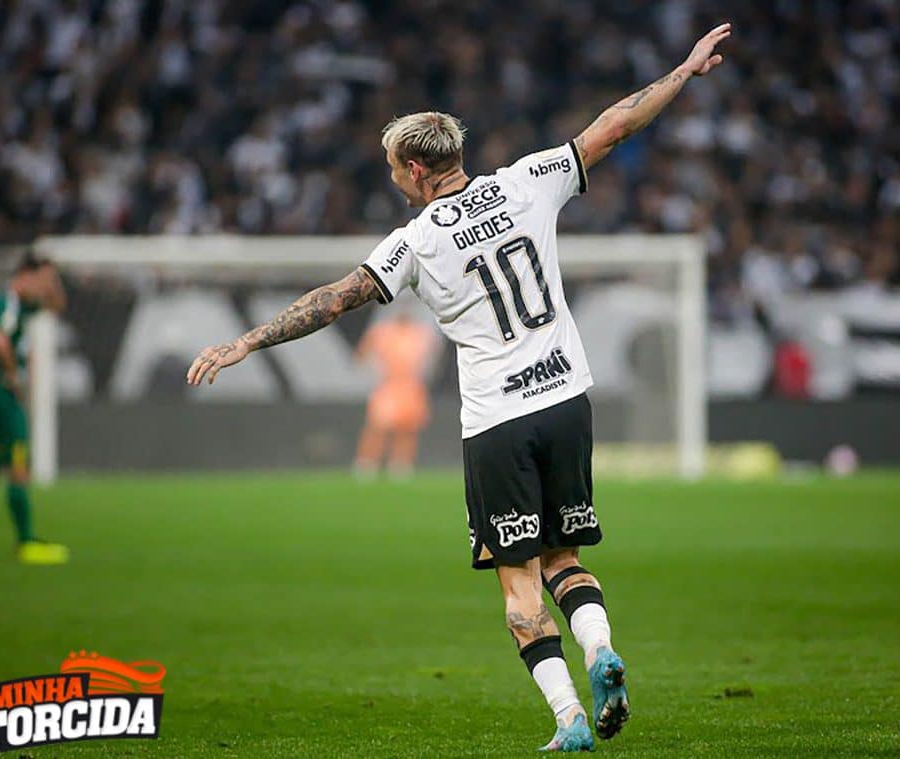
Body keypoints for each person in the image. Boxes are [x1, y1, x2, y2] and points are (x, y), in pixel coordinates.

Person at [188, 23, 731, 751]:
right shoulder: (529, 180)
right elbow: (616, 123)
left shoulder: (415, 240)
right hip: (568, 398)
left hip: (498, 419)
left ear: (415, 170)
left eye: (391, 168)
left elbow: (337, 299)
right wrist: (684, 70)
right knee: (567, 558)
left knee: (518, 587)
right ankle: (601, 647)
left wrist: (247, 339)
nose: (391, 178)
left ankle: (570, 718)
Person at [0, 254, 70, 566]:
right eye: (41, 280)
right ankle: (26, 541)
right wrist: (14, 377)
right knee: (18, 464)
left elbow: (57, 306)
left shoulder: (21, 304)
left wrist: (51, 282)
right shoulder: (9, 303)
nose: (45, 287)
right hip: (0, 393)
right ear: (24, 276)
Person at [354, 308, 437, 478]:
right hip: (389, 384)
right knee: (379, 426)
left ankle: (401, 464)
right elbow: (362, 354)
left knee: (408, 427)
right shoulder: (382, 331)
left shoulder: (421, 333)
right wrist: (376, 370)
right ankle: (367, 462)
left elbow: (431, 358)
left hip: (411, 385)